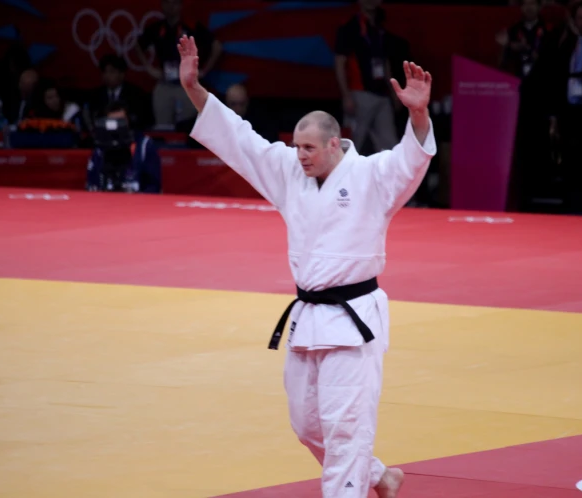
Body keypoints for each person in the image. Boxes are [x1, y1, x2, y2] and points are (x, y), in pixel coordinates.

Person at [177, 35, 436, 497]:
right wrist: (195, 87)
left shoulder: (372, 176)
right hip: (308, 316)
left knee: (344, 431)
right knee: (306, 425)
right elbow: (240, 140)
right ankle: (379, 476)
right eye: (296, 147)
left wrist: (417, 114)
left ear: (335, 144)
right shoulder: (290, 172)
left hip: (354, 320)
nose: (300, 156)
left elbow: (410, 163)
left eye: (309, 148)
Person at [85, 102, 162, 194]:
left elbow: (154, 186)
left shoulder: (144, 145)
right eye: (112, 121)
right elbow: (92, 184)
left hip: (136, 204)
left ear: (129, 121)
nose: (116, 126)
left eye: (120, 121)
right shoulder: (100, 147)